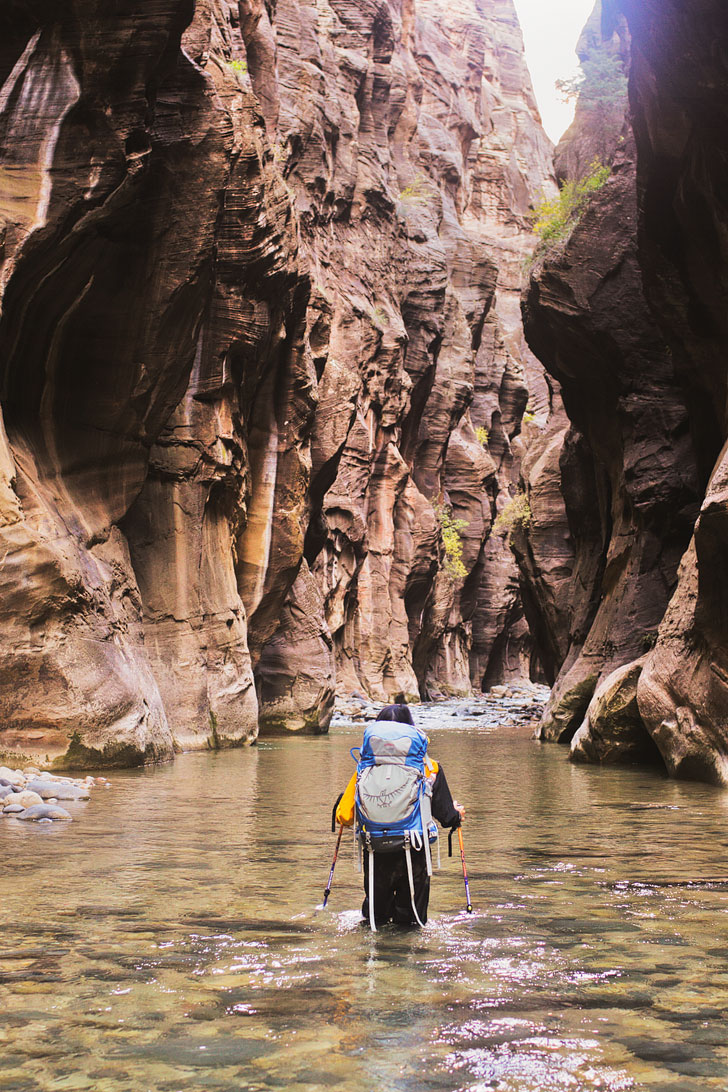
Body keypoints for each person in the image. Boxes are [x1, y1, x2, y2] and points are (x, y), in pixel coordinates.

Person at [333, 703, 465, 927]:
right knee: (412, 923)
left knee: (376, 921)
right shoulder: (429, 767)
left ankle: (375, 958)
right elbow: (446, 816)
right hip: (414, 850)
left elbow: (345, 816)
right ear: (411, 731)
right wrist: (457, 814)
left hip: (376, 851)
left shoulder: (364, 770)